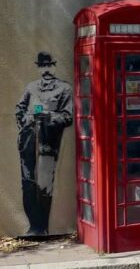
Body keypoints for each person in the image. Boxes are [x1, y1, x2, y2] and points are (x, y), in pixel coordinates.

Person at [15, 52, 73, 237]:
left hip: (48, 144)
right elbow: (19, 109)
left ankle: (43, 227)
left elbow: (67, 116)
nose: (46, 69)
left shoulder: (64, 89)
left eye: (49, 65)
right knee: (28, 183)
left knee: (44, 185)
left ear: (54, 66)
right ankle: (33, 227)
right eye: (42, 66)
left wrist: (49, 117)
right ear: (38, 68)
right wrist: (27, 120)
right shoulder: (31, 87)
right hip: (28, 142)